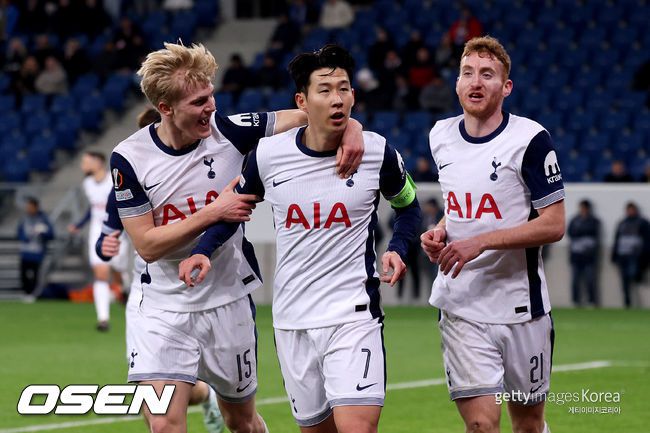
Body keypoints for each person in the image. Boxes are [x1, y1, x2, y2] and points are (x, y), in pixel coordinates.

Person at [109, 42, 363, 433]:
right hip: (160, 308)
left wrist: (354, 130)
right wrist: (215, 211)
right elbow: (147, 244)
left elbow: (315, 113)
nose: (210, 108)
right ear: (166, 108)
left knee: (241, 422)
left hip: (227, 302)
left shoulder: (230, 131)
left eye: (210, 96)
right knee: (164, 425)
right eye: (198, 102)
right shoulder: (129, 158)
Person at [179, 44, 421, 433]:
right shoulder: (268, 155)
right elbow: (234, 209)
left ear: (354, 96)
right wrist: (203, 251)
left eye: (344, 88)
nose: (337, 98)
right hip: (293, 320)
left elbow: (408, 206)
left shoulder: (377, 153)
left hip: (353, 314)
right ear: (302, 102)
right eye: (324, 90)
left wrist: (398, 247)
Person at [421, 36, 565, 433]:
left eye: (487, 74)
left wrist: (481, 242)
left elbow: (554, 223)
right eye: (467, 73)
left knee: (528, 425)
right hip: (461, 305)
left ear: (506, 86)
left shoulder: (530, 139)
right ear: (456, 83)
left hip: (521, 308)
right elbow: (459, 206)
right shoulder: (440, 135)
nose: (476, 81)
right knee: (482, 425)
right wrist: (440, 230)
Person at [97, 106, 226, 433]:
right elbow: (108, 230)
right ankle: (206, 395)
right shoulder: (130, 175)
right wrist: (104, 244)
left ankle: (208, 393)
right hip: (151, 294)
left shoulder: (201, 168)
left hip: (213, 289)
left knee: (235, 406)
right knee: (153, 401)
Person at [68, 151, 131, 332]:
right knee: (101, 273)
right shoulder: (87, 184)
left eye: (85, 161)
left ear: (98, 162)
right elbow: (92, 208)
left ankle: (124, 289)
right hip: (97, 232)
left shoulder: (114, 180)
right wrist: (80, 224)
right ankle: (103, 319)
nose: (82, 165)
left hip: (116, 231)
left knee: (118, 272)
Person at [611, 202, 650, 308]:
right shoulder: (622, 223)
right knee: (625, 281)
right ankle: (627, 303)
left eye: (632, 210)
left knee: (635, 276)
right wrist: (614, 255)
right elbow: (617, 239)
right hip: (623, 255)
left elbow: (647, 240)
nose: (630, 212)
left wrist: (645, 257)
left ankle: (640, 303)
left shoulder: (643, 222)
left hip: (636, 256)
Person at [17, 196, 54, 300]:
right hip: (25, 251)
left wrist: (43, 232)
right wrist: (24, 238)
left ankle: (34, 294)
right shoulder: (24, 219)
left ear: (36, 207)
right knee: (24, 274)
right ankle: (26, 293)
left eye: (31, 207)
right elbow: (19, 232)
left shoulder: (43, 219)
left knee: (36, 275)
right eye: (28, 207)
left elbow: (51, 234)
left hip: (37, 252)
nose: (28, 209)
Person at [567, 200, 600, 307]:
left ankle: (591, 301)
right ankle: (575, 301)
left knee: (590, 279)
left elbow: (595, 235)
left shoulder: (594, 221)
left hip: (589, 256)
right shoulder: (575, 220)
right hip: (576, 255)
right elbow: (570, 233)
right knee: (575, 280)